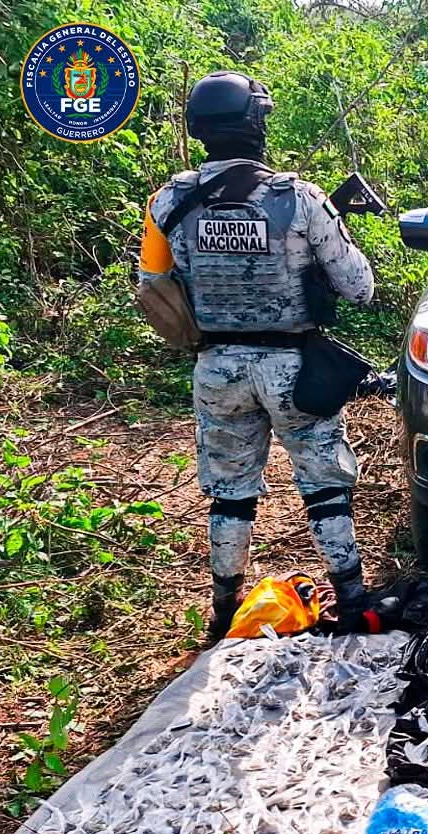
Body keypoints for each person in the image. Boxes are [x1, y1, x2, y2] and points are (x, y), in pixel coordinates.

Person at [137, 71, 375, 640]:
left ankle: (224, 610)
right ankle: (352, 600)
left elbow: (152, 286)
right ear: (255, 124)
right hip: (295, 371)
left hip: (217, 368)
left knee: (229, 494)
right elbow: (359, 287)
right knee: (324, 486)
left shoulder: (168, 201)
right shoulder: (300, 198)